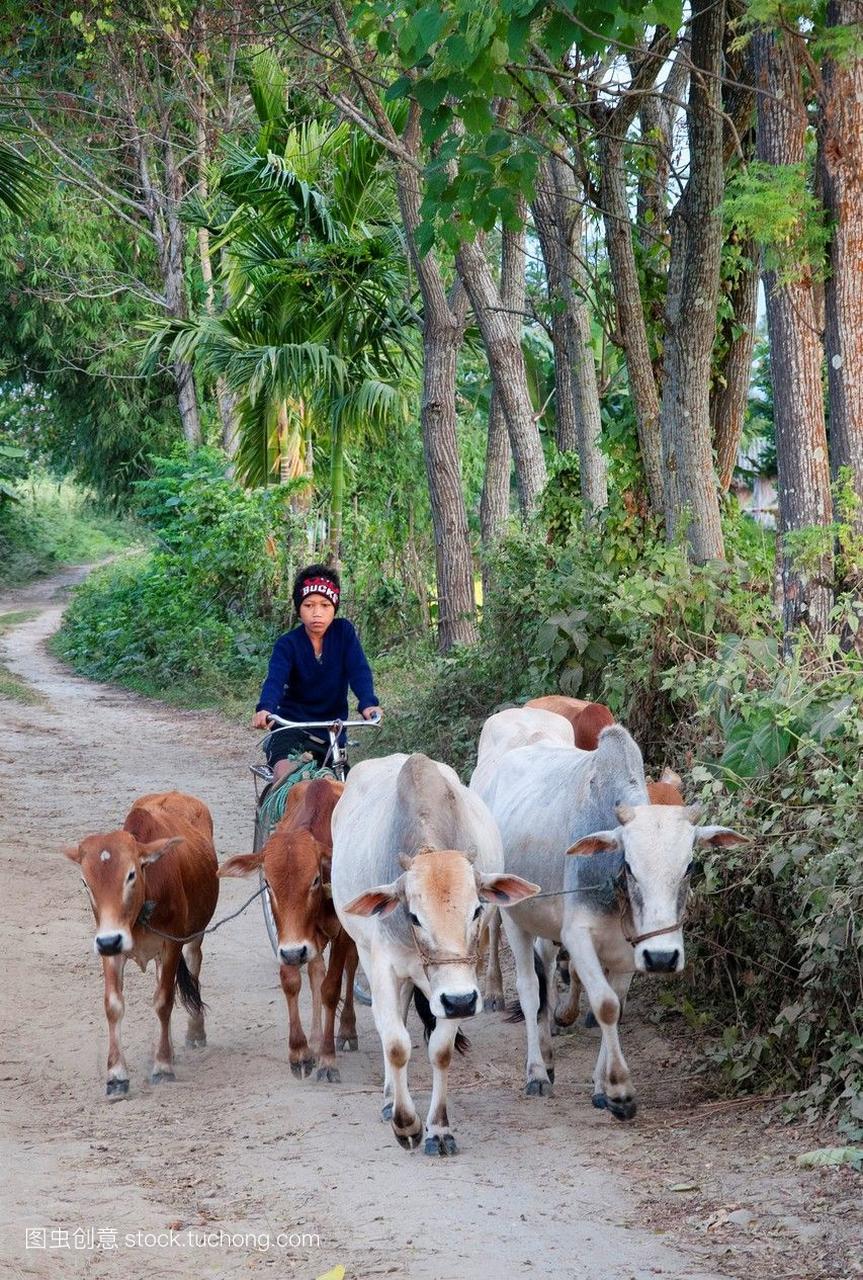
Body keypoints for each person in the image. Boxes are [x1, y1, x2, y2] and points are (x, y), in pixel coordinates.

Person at [252, 563, 382, 782]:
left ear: (334, 608)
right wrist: (265, 709)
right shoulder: (288, 644)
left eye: (325, 605)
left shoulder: (344, 633)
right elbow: (275, 680)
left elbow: (358, 670)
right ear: (299, 609)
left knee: (342, 794)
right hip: (291, 729)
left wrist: (368, 703)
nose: (317, 613)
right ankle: (278, 815)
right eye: (309, 605)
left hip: (331, 734)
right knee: (288, 780)